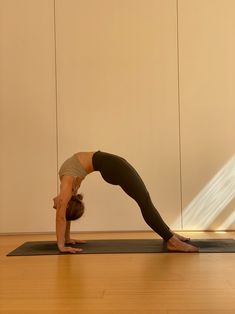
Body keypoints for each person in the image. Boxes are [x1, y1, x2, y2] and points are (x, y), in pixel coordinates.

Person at [53, 151, 198, 253]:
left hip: (111, 165)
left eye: (58, 205)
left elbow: (62, 215)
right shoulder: (68, 186)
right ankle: (171, 241)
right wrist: (63, 243)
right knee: (145, 201)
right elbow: (62, 215)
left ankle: (168, 234)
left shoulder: (67, 186)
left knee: (145, 200)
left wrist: (64, 241)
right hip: (112, 165)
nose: (55, 205)